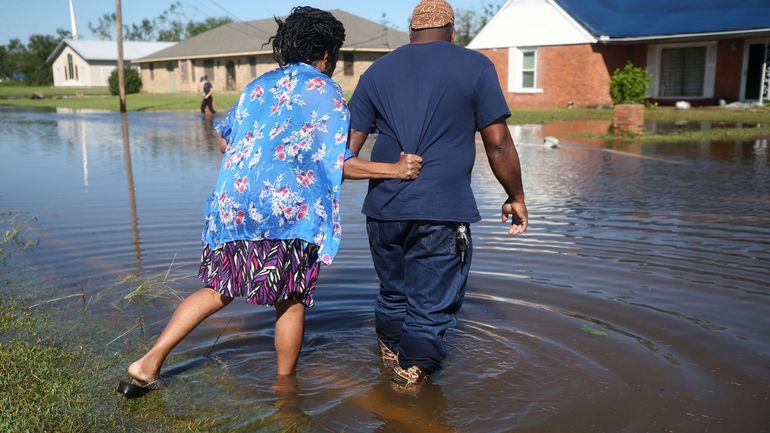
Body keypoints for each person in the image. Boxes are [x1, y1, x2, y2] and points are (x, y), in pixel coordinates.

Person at [117, 6, 423, 399]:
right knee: (291, 299)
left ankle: (148, 363)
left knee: (217, 291)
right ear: (326, 54)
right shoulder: (324, 92)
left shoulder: (257, 87)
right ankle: (284, 392)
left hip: (234, 209)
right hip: (285, 214)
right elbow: (335, 162)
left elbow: (227, 140)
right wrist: (394, 170)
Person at [347, 0, 528, 389]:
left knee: (393, 293)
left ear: (411, 33)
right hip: (441, 210)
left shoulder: (376, 72)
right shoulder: (475, 66)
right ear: (451, 32)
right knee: (430, 306)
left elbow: (346, 151)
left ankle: (390, 357)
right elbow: (497, 144)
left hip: (382, 210)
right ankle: (411, 376)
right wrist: (515, 196)